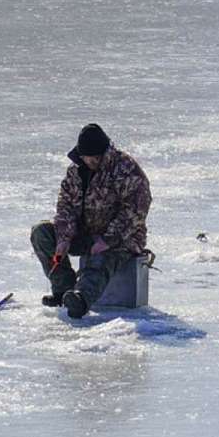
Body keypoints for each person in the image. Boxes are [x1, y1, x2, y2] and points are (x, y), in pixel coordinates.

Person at [30, 124, 151, 319]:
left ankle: (81, 299)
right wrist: (63, 238)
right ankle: (63, 290)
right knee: (41, 232)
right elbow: (66, 206)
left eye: (96, 157)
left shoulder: (125, 168)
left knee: (101, 260)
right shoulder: (75, 172)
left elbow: (137, 209)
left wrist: (108, 239)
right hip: (86, 234)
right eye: (88, 157)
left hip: (121, 239)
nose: (92, 161)